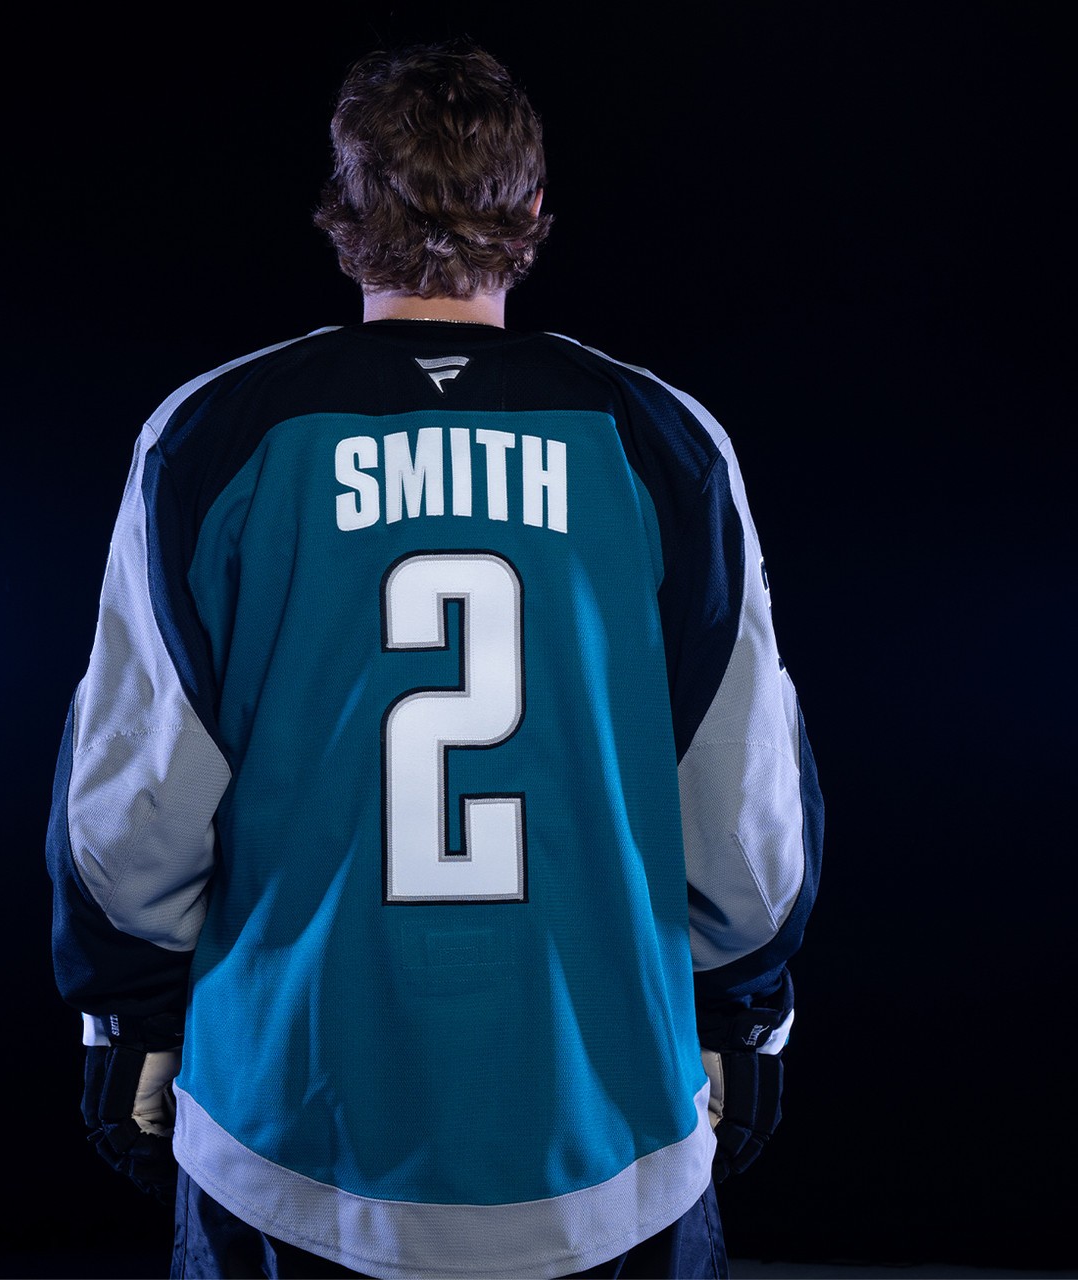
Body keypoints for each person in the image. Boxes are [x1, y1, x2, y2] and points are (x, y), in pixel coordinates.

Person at [47, 39, 823, 1280]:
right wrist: (742, 1008)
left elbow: (133, 800)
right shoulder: (660, 438)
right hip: (603, 1128)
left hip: (289, 1127)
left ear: (343, 210)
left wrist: (127, 1007)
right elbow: (742, 805)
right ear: (530, 208)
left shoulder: (214, 432)